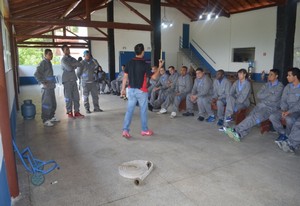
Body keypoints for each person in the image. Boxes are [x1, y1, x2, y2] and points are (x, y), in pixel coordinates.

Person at [224, 69, 284, 142]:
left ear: (276, 76)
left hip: (270, 108)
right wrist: (270, 94)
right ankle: (240, 134)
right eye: (269, 74)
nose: (269, 76)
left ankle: (236, 129)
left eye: (271, 74)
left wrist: (265, 96)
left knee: (254, 118)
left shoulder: (280, 86)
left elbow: (274, 98)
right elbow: (258, 95)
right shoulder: (266, 84)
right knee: (250, 117)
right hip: (260, 105)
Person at [121, 43, 164, 138]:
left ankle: (125, 130)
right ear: (143, 52)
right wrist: (160, 66)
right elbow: (153, 77)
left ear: (135, 51)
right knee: (143, 111)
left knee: (129, 111)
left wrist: (123, 89)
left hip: (131, 90)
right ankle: (144, 130)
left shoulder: (129, 62)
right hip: (141, 91)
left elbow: (125, 78)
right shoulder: (145, 64)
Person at [269, 67, 300, 145]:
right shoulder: (288, 87)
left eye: (289, 75)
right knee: (272, 116)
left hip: (296, 111)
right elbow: (283, 100)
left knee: (289, 119)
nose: (287, 77)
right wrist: (283, 110)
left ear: (295, 76)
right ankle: (283, 134)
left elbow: (298, 105)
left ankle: (289, 137)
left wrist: (288, 112)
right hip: (285, 109)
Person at [34, 49, 59, 126]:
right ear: (45, 55)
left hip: (51, 86)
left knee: (52, 103)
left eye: (51, 54)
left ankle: (51, 116)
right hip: (46, 87)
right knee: (47, 103)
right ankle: (45, 119)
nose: (51, 56)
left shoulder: (49, 62)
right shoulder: (43, 63)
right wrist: (42, 82)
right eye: (49, 54)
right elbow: (36, 74)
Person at [61, 44, 85, 118]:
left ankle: (77, 112)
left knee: (76, 97)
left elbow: (80, 64)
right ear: (63, 51)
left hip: (74, 80)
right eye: (66, 50)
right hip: (67, 80)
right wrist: (74, 65)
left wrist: (72, 64)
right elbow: (69, 68)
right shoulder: (63, 60)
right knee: (68, 97)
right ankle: (69, 112)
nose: (68, 51)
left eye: (68, 49)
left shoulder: (72, 58)